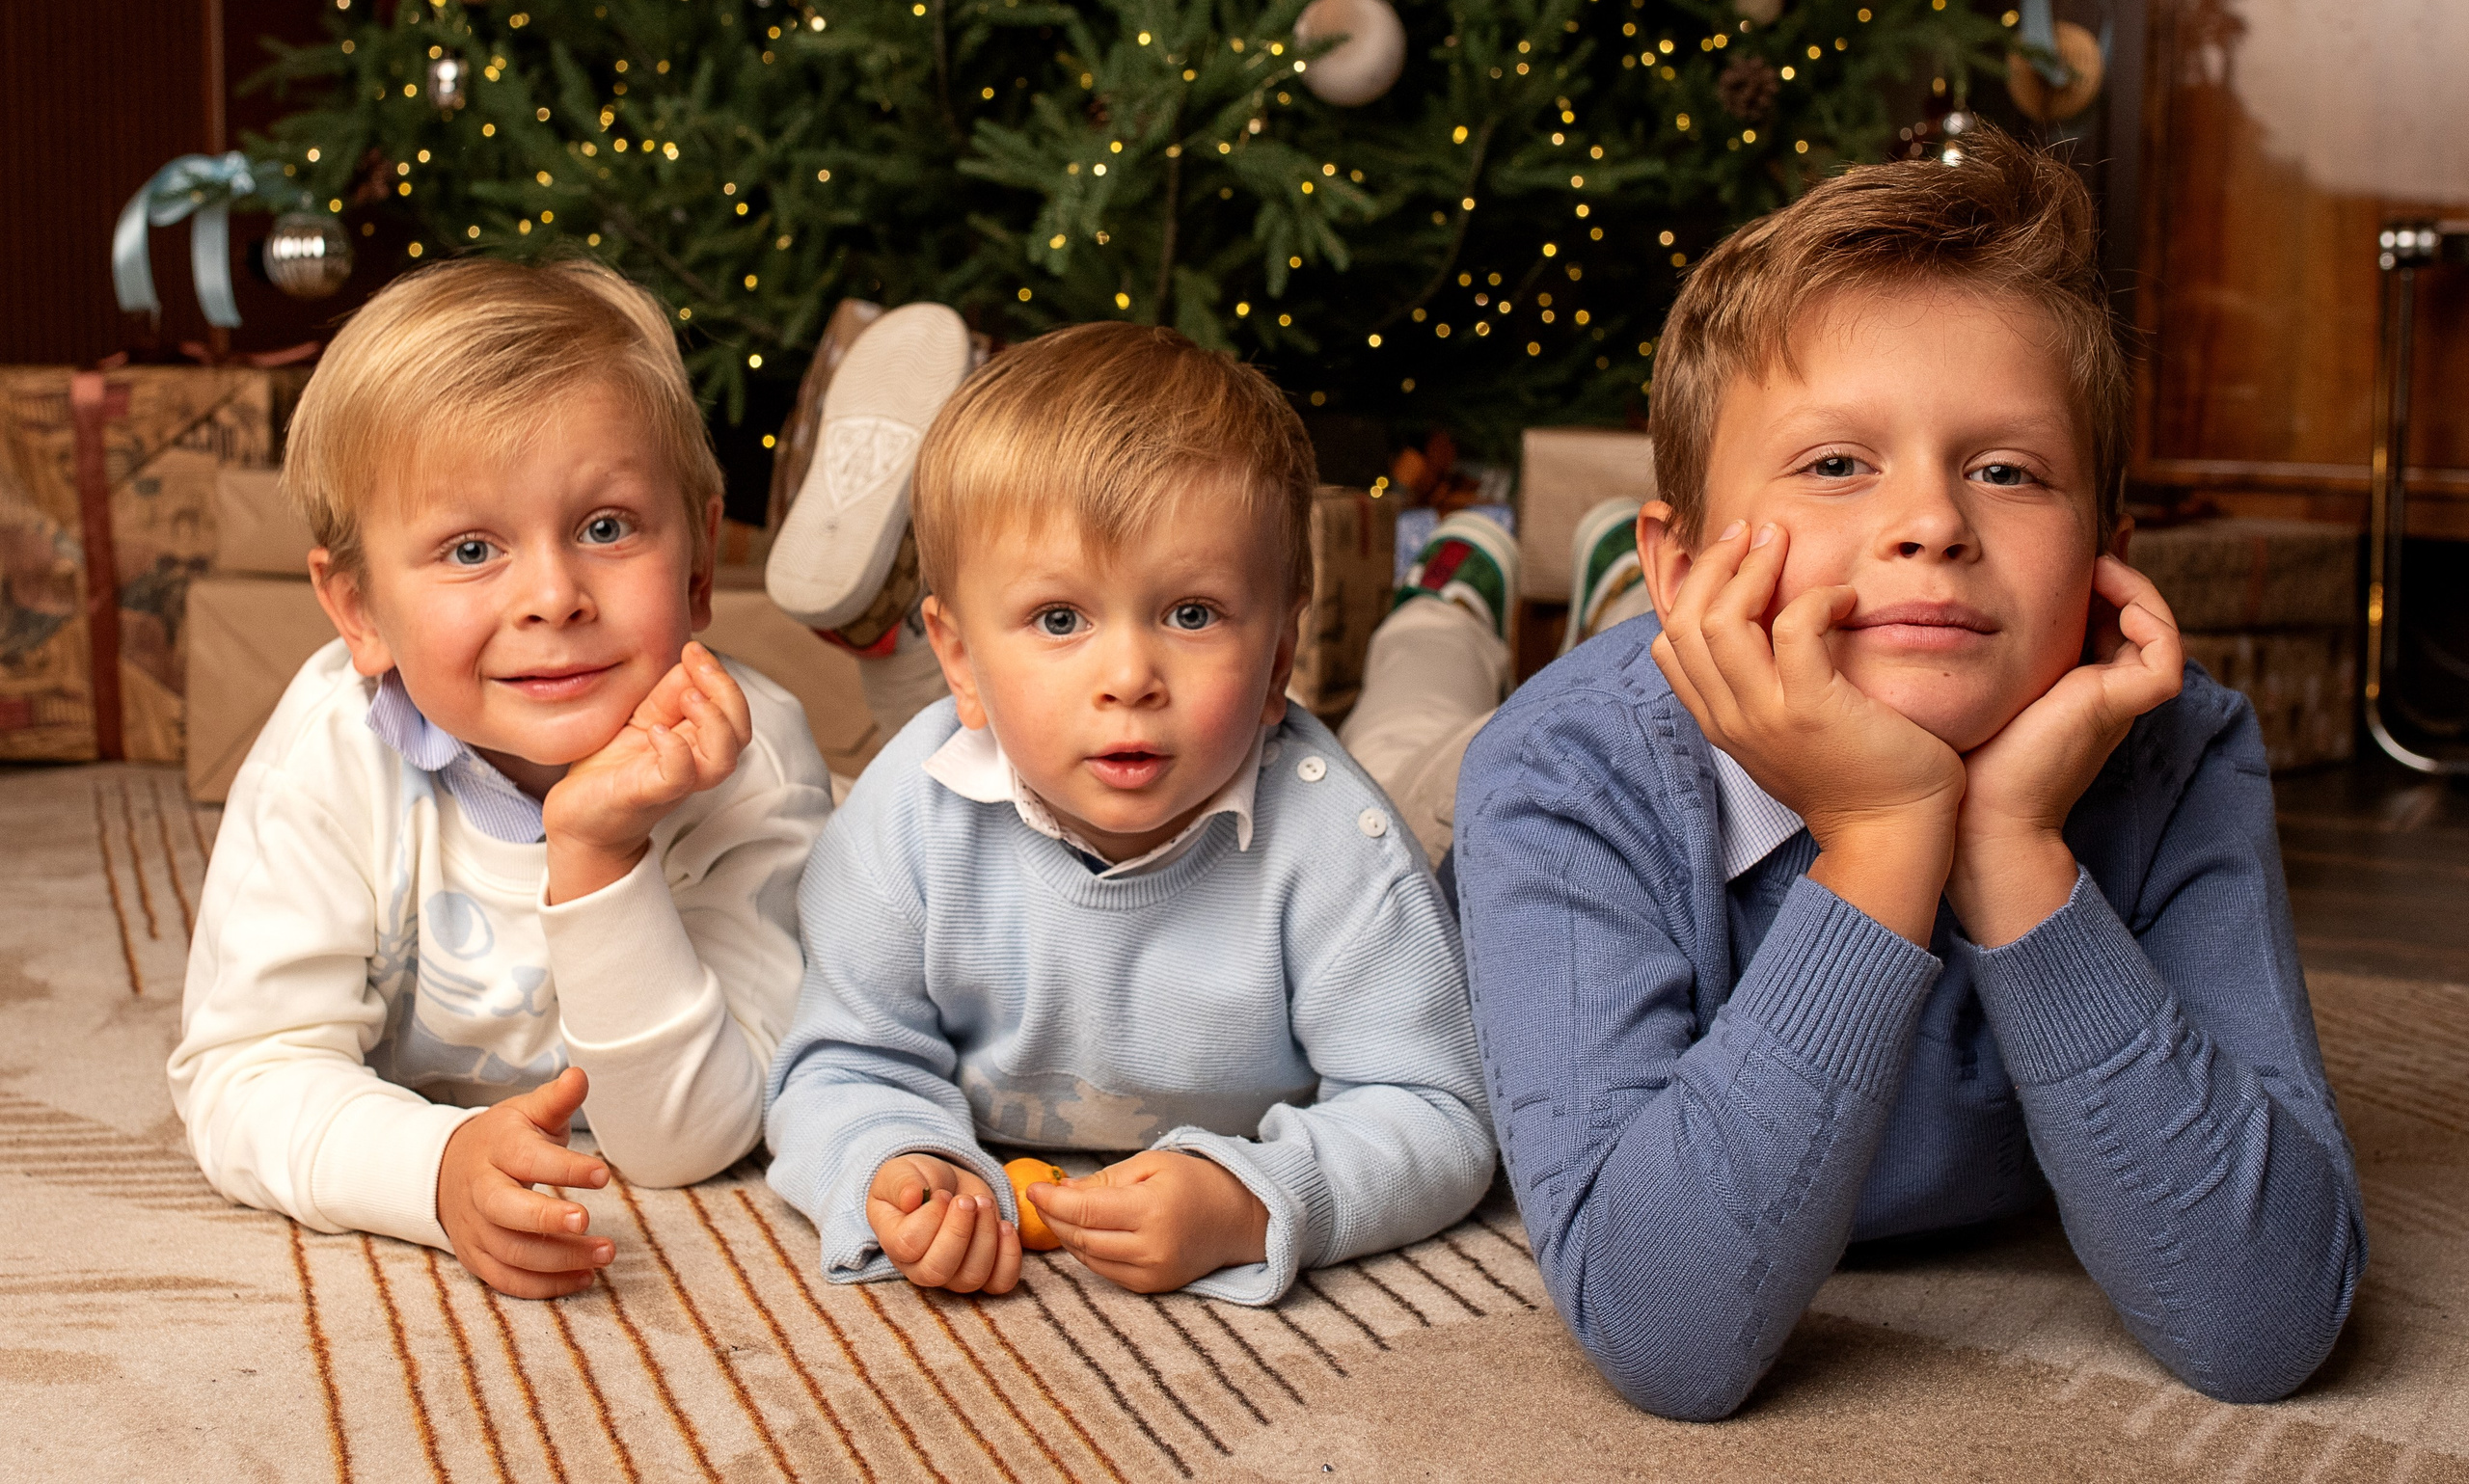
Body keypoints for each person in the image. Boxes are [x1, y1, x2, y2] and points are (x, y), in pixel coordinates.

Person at [1452, 129, 2366, 1419]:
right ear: (1685, 566)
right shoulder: (1560, 776)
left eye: (2008, 471)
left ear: (2109, 555)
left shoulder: (2180, 746)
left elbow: (2265, 1320)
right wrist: (1885, 834)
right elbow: (1664, 1335)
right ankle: (1450, 623)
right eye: (1836, 465)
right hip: (1593, 708)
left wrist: (2012, 849)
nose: (1932, 522)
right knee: (1417, 736)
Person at [763, 323, 1494, 1305]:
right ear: (960, 663)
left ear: (1280, 654)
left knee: (1430, 729)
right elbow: (840, 1062)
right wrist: (890, 1161)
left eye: (1191, 613)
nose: (1128, 679)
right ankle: (1445, 600)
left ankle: (1453, 594)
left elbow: (1437, 1110)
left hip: (1393, 793)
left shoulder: (1343, 849)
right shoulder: (906, 816)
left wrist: (1257, 1197)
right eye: (1059, 619)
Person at [169, 260, 831, 1299]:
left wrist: (600, 855)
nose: (554, 596)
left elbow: (690, 1137)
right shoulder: (329, 751)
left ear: (700, 562)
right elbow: (244, 1074)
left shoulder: (750, 760)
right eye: (472, 548)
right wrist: (431, 1169)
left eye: (606, 527)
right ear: (359, 613)